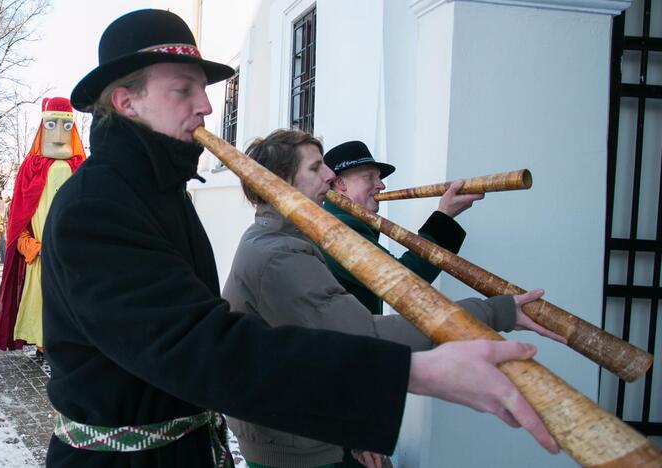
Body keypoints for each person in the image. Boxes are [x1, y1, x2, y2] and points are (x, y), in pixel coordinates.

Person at [40, 9, 558, 467]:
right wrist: (413, 372)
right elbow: (201, 347)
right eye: (183, 90)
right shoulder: (98, 206)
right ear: (126, 101)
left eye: (204, 89)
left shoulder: (159, 190)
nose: (206, 107)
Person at [221, 130, 563, 468]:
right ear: (280, 182)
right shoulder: (286, 250)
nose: (328, 175)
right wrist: (495, 311)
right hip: (295, 439)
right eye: (316, 168)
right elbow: (380, 315)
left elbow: (325, 343)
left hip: (312, 424)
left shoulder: (291, 237)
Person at [321, 141, 481, 315]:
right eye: (369, 177)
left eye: (379, 177)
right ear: (340, 184)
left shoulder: (341, 220)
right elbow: (402, 282)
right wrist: (444, 216)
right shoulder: (338, 227)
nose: (381, 185)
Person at [0, 97, 85, 355]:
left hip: (71, 260)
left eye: (66, 125)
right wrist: (34, 246)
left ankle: (65, 346)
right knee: (42, 302)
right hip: (40, 258)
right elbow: (19, 221)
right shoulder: (31, 168)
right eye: (52, 125)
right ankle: (43, 346)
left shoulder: (80, 168)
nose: (60, 135)